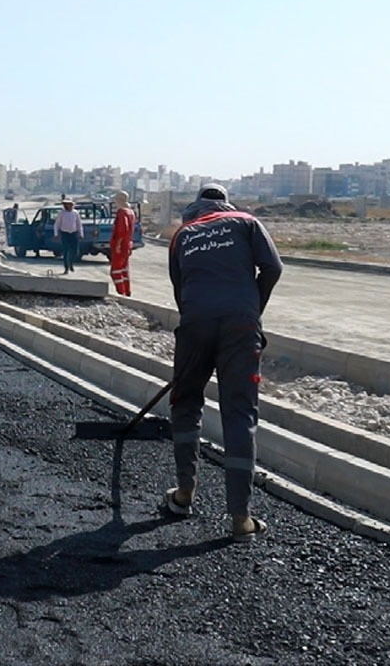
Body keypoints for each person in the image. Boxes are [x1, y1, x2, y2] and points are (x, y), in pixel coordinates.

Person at [164, 183, 283, 543]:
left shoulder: (182, 235)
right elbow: (273, 268)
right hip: (240, 328)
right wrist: (250, 312)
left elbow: (180, 288)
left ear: (195, 208)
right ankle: (240, 518)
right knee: (240, 412)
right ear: (225, 203)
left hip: (195, 324)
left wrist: (198, 326)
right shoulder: (246, 222)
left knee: (185, 403)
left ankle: (183, 495)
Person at [109, 190, 136, 295]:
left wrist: (118, 244)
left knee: (115, 271)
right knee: (124, 270)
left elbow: (122, 229)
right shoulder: (131, 212)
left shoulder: (122, 212)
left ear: (120, 200)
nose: (115, 202)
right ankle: (127, 291)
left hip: (121, 245)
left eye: (116, 200)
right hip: (127, 244)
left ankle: (121, 292)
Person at [52, 198, 83, 274]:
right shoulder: (62, 213)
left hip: (74, 233)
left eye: (68, 204)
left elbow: (79, 224)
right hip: (65, 233)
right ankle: (66, 268)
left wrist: (81, 233)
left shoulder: (75, 213)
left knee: (75, 251)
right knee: (66, 251)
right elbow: (57, 224)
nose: (67, 206)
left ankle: (71, 263)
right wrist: (56, 234)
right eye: (65, 204)